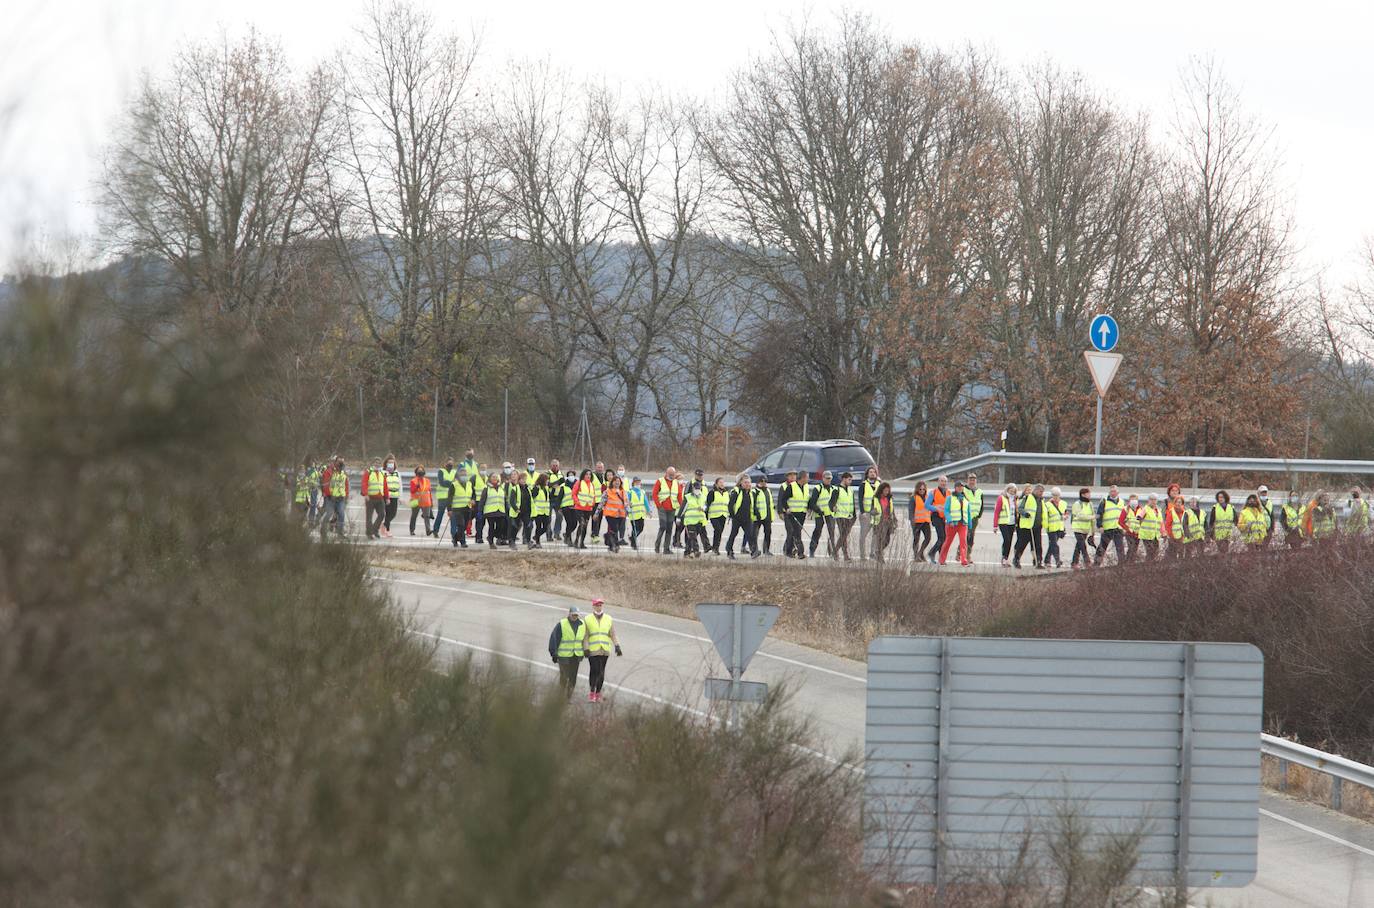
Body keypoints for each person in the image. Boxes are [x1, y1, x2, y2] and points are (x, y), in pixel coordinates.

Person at [582, 598, 623, 703]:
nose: (599, 607)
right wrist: (585, 648)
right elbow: (585, 635)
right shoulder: (587, 619)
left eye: (600, 605)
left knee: (601, 672)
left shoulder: (608, 618)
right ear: (593, 606)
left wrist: (617, 646)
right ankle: (592, 693)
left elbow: (613, 634)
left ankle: (598, 693)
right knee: (594, 670)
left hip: (604, 650)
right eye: (597, 605)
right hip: (592, 650)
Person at [548, 605, 586, 701]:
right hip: (563, 656)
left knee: (573, 677)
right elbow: (554, 638)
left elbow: (584, 640)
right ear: (569, 614)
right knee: (564, 677)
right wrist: (554, 653)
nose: (575, 617)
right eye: (573, 615)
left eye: (576, 615)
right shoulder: (562, 624)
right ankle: (560, 696)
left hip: (576, 656)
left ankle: (569, 697)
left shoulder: (582, 624)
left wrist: (586, 650)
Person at [937, 480, 973, 567]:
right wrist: (950, 520)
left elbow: (968, 513)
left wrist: (970, 525)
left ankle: (964, 561)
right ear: (955, 488)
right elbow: (946, 510)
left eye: (961, 487)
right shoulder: (950, 498)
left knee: (963, 542)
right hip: (952, 524)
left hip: (963, 524)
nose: (960, 488)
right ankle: (941, 560)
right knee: (948, 542)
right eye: (958, 486)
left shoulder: (965, 499)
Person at [725, 475, 757, 560]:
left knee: (750, 534)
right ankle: (729, 550)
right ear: (741, 483)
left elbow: (752, 506)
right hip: (737, 518)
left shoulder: (751, 493)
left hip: (747, 518)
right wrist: (732, 515)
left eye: (749, 482)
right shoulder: (736, 491)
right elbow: (731, 505)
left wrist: (754, 514)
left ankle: (754, 551)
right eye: (745, 482)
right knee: (733, 534)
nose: (748, 484)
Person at [652, 467, 682, 555]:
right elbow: (654, 493)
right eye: (670, 475)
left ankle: (666, 548)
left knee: (669, 528)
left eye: (673, 475)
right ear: (666, 473)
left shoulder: (676, 483)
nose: (672, 476)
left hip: (672, 508)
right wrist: (658, 505)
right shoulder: (660, 481)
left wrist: (681, 507)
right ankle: (657, 545)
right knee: (663, 526)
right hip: (662, 508)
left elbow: (679, 496)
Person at [807, 471, 838, 558]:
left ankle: (832, 552)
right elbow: (812, 503)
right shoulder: (818, 488)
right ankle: (812, 550)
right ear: (823, 478)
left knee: (831, 534)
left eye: (830, 478)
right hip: (819, 514)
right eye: (827, 478)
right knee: (817, 532)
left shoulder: (834, 489)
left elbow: (835, 502)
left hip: (830, 514)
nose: (828, 480)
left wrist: (835, 507)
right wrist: (818, 510)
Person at [1012, 483, 1043, 569]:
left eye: (1042, 492)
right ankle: (1016, 559)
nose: (1041, 493)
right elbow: (1020, 508)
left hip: (1037, 526)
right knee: (1022, 544)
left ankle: (1039, 562)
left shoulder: (1041, 500)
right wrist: (1026, 514)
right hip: (1027, 526)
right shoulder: (1028, 497)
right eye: (1040, 491)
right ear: (1036, 490)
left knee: (1038, 545)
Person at [1094, 485, 1126, 566]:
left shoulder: (1122, 502)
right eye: (1111, 491)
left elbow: (1125, 515)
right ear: (1109, 492)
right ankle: (1096, 565)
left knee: (1120, 548)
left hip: (1118, 529)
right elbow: (1099, 515)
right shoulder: (1104, 502)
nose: (1113, 493)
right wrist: (1100, 526)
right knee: (1102, 548)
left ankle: (1121, 565)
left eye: (1114, 491)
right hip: (1107, 529)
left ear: (1118, 492)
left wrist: (1125, 527)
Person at [678, 478, 710, 558]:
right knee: (693, 537)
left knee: (690, 538)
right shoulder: (688, 497)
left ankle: (687, 553)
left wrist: (703, 508)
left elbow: (706, 505)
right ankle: (696, 551)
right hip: (689, 521)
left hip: (699, 520)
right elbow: (683, 508)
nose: (697, 490)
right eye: (696, 488)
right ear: (692, 488)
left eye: (698, 488)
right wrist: (679, 517)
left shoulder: (703, 497)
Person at [781, 470, 808, 559]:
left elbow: (807, 500)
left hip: (802, 514)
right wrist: (787, 508)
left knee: (795, 533)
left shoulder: (806, 487)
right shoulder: (791, 487)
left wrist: (814, 508)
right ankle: (800, 553)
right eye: (806, 477)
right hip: (792, 514)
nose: (808, 479)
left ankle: (788, 550)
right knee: (795, 533)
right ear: (803, 478)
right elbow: (783, 499)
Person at [319, 456, 348, 539]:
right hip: (330, 497)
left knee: (341, 514)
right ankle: (323, 531)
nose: (341, 463)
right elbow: (325, 485)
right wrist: (329, 494)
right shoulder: (328, 472)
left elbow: (345, 484)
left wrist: (346, 495)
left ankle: (340, 533)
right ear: (335, 462)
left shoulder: (343, 473)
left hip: (340, 497)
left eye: (342, 462)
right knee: (329, 514)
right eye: (339, 462)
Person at [446, 467, 474, 548]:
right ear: (458, 476)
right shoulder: (454, 485)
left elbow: (472, 494)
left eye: (465, 475)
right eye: (462, 475)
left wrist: (473, 500)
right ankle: (463, 542)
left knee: (464, 526)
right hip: (457, 509)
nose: (464, 476)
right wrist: (449, 509)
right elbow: (449, 498)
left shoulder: (469, 484)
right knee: (461, 525)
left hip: (467, 507)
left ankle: (455, 538)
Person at [857, 466, 881, 560]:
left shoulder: (879, 484)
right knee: (863, 536)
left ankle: (872, 553)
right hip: (866, 513)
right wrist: (862, 512)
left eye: (874, 472)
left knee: (876, 535)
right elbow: (860, 499)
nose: (872, 473)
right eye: (870, 472)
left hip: (877, 513)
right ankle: (862, 556)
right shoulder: (863, 485)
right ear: (867, 474)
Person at [363, 459, 390, 540]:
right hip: (370, 498)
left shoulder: (382, 473)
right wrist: (366, 494)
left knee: (382, 514)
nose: (377, 464)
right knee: (369, 517)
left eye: (379, 463)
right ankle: (369, 533)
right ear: (372, 464)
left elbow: (385, 486)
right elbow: (364, 483)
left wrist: (387, 497)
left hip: (380, 498)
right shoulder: (368, 472)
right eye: (376, 463)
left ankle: (374, 530)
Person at [831, 472, 856, 562]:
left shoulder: (850, 490)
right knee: (844, 535)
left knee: (844, 536)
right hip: (840, 515)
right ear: (844, 479)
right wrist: (833, 507)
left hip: (848, 516)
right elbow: (831, 502)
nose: (850, 481)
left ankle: (835, 551)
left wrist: (854, 516)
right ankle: (844, 555)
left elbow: (852, 504)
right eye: (849, 479)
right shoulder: (836, 489)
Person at [925, 476, 950, 564]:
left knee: (944, 538)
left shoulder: (949, 493)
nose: (943, 483)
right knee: (942, 537)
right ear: (938, 482)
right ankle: (932, 553)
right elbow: (927, 505)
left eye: (945, 481)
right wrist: (936, 508)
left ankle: (941, 558)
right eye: (941, 481)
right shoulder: (933, 492)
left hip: (945, 518)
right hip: (936, 516)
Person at [570, 468, 597, 549]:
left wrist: (593, 502)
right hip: (579, 508)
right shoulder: (579, 483)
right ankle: (576, 541)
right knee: (582, 524)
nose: (588, 476)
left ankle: (581, 543)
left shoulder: (591, 484)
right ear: (583, 475)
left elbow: (593, 495)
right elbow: (573, 494)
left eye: (589, 474)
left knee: (585, 526)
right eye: (586, 474)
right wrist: (577, 502)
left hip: (588, 509)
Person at [1069, 488, 1096, 569]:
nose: (1090, 495)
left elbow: (1093, 518)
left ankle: (1074, 563)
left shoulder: (1090, 504)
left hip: (1085, 529)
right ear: (1083, 494)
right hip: (1078, 528)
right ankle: (1087, 562)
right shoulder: (1077, 504)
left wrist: (1093, 531)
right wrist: (1091, 517)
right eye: (1088, 493)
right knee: (1083, 546)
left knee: (1079, 546)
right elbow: (1079, 515)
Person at [993, 484, 1018, 566]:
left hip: (1012, 523)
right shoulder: (1001, 498)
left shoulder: (1015, 498)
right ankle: (1004, 557)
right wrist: (995, 525)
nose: (1012, 491)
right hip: (1003, 522)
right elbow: (997, 512)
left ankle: (1006, 558)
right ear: (1007, 489)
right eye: (1011, 489)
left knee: (1009, 541)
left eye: (1014, 490)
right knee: (1006, 540)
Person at [432, 458, 457, 538]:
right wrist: (451, 483)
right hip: (442, 496)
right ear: (445, 463)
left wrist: (448, 482)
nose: (450, 465)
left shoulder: (454, 472)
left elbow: (456, 482)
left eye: (451, 463)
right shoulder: (441, 471)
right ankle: (435, 530)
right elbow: (442, 482)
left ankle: (454, 533)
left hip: (452, 497)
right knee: (440, 514)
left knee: (453, 515)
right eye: (448, 463)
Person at [1043, 487, 1067, 568]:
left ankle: (1047, 560)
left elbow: (1066, 512)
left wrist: (1065, 516)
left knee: (1052, 545)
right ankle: (1058, 560)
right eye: (1054, 495)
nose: (1056, 497)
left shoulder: (1064, 503)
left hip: (1060, 527)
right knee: (1054, 544)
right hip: (1051, 527)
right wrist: (1046, 526)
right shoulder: (1047, 504)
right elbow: (1045, 516)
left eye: (1057, 495)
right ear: (1052, 495)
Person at [480, 472, 506, 549]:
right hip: (490, 512)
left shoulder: (501, 488)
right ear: (490, 478)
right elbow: (482, 500)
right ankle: (491, 542)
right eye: (493, 477)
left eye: (496, 477)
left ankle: (491, 537)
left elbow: (504, 499)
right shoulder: (486, 488)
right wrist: (480, 511)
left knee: (500, 527)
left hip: (500, 510)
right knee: (491, 526)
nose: (495, 478)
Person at [705, 477, 731, 555]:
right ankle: (714, 547)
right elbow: (707, 504)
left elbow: (728, 505)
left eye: (723, 482)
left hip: (723, 515)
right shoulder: (712, 492)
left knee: (719, 532)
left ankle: (716, 548)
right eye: (720, 482)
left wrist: (729, 514)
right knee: (718, 530)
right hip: (714, 515)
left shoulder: (726, 493)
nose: (722, 484)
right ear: (716, 484)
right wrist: (705, 515)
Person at [504, 471, 530, 547]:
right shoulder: (512, 486)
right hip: (514, 510)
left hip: (525, 511)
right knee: (513, 526)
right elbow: (509, 499)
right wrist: (515, 508)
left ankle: (528, 541)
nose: (524, 481)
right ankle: (511, 540)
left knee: (528, 526)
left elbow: (529, 499)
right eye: (522, 479)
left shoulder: (527, 488)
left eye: (525, 479)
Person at [602, 476, 627, 553]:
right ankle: (615, 546)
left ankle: (609, 540)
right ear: (612, 482)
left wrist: (628, 508)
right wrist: (596, 514)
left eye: (618, 481)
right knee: (615, 529)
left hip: (620, 515)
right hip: (610, 514)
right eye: (615, 481)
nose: (617, 482)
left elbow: (626, 502)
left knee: (615, 530)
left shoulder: (623, 492)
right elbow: (601, 503)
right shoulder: (607, 491)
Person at [872, 482, 895, 563]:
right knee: (881, 539)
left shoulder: (889, 498)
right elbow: (871, 509)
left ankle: (878, 552)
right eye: (885, 491)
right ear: (881, 490)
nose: (886, 492)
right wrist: (873, 512)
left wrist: (894, 519)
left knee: (887, 540)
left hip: (888, 521)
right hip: (879, 522)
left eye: (888, 491)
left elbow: (892, 509)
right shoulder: (875, 498)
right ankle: (879, 556)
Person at [909, 481, 933, 561]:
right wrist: (912, 521)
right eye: (920, 489)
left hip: (926, 521)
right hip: (917, 522)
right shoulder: (913, 498)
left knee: (928, 538)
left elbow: (930, 508)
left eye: (923, 489)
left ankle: (920, 553)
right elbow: (911, 511)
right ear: (917, 489)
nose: (922, 490)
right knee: (916, 539)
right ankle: (916, 556)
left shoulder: (927, 497)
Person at [408, 465, 434, 536]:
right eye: (419, 470)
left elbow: (429, 491)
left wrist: (431, 501)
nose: (420, 472)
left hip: (426, 501)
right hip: (415, 501)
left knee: (427, 517)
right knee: (414, 516)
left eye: (421, 470)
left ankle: (428, 531)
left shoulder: (427, 481)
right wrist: (417, 487)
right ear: (416, 472)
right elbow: (412, 491)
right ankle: (412, 530)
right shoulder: (413, 481)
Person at [1137, 493, 1163, 561]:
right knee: (1150, 552)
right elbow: (1138, 519)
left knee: (1155, 552)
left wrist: (1163, 532)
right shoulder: (1145, 509)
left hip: (1155, 535)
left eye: (1155, 499)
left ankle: (1152, 567)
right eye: (1151, 499)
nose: (1153, 501)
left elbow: (1160, 522)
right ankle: (1147, 567)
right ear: (1148, 500)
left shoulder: (1158, 510)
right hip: (1146, 535)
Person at [963, 473, 984, 556]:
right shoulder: (964, 490)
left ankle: (967, 554)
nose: (972, 481)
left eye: (974, 480)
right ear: (967, 480)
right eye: (970, 480)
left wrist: (979, 514)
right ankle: (962, 553)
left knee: (971, 536)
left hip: (975, 517)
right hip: (966, 516)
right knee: (966, 535)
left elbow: (982, 504)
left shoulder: (979, 491)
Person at [753, 476, 775, 556]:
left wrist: (771, 516)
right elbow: (753, 504)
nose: (763, 483)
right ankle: (755, 550)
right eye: (762, 481)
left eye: (765, 481)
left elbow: (770, 504)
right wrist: (756, 513)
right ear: (758, 482)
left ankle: (766, 550)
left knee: (768, 533)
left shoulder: (768, 491)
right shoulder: (755, 491)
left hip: (767, 516)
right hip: (757, 517)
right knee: (755, 534)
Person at [529, 472, 551, 548]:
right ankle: (538, 542)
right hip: (538, 511)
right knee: (538, 527)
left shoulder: (546, 488)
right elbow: (532, 497)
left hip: (545, 511)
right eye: (547, 480)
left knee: (545, 527)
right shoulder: (536, 488)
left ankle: (536, 536)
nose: (548, 481)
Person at [627, 477, 649, 550]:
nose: (638, 484)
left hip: (641, 514)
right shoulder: (630, 492)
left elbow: (645, 502)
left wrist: (649, 511)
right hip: (633, 514)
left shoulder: (642, 492)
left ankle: (632, 538)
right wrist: (627, 506)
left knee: (641, 528)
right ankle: (634, 544)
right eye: (636, 482)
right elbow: (627, 501)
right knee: (635, 529)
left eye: (639, 482)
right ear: (633, 483)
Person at [1120, 494, 1143, 563]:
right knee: (1131, 548)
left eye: (1135, 499)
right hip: (1129, 533)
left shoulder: (1141, 509)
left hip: (1137, 533)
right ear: (1129, 501)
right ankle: (1127, 562)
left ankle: (1130, 562)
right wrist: (1128, 529)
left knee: (1134, 549)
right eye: (1132, 500)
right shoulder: (1125, 509)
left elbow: (1142, 521)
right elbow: (1120, 521)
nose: (1134, 501)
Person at [382, 455, 402, 535]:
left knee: (393, 513)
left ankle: (384, 525)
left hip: (395, 496)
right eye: (389, 463)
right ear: (386, 463)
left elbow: (400, 485)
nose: (391, 464)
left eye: (392, 463)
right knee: (388, 513)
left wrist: (400, 497)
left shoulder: (397, 473)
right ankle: (387, 529)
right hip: (387, 496)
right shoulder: (383, 472)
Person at [559, 469, 578, 544]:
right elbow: (559, 497)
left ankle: (566, 534)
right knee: (569, 523)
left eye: (572, 475)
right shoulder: (563, 486)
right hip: (566, 507)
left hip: (575, 506)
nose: (571, 476)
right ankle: (569, 539)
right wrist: (558, 507)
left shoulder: (578, 484)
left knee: (575, 523)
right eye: (569, 475)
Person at [547, 459, 565, 540]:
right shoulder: (547, 474)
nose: (555, 467)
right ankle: (549, 534)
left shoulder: (561, 474)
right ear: (551, 466)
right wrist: (557, 483)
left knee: (559, 516)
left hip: (559, 499)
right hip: (549, 498)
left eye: (556, 465)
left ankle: (557, 533)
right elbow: (548, 484)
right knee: (548, 518)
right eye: (553, 465)